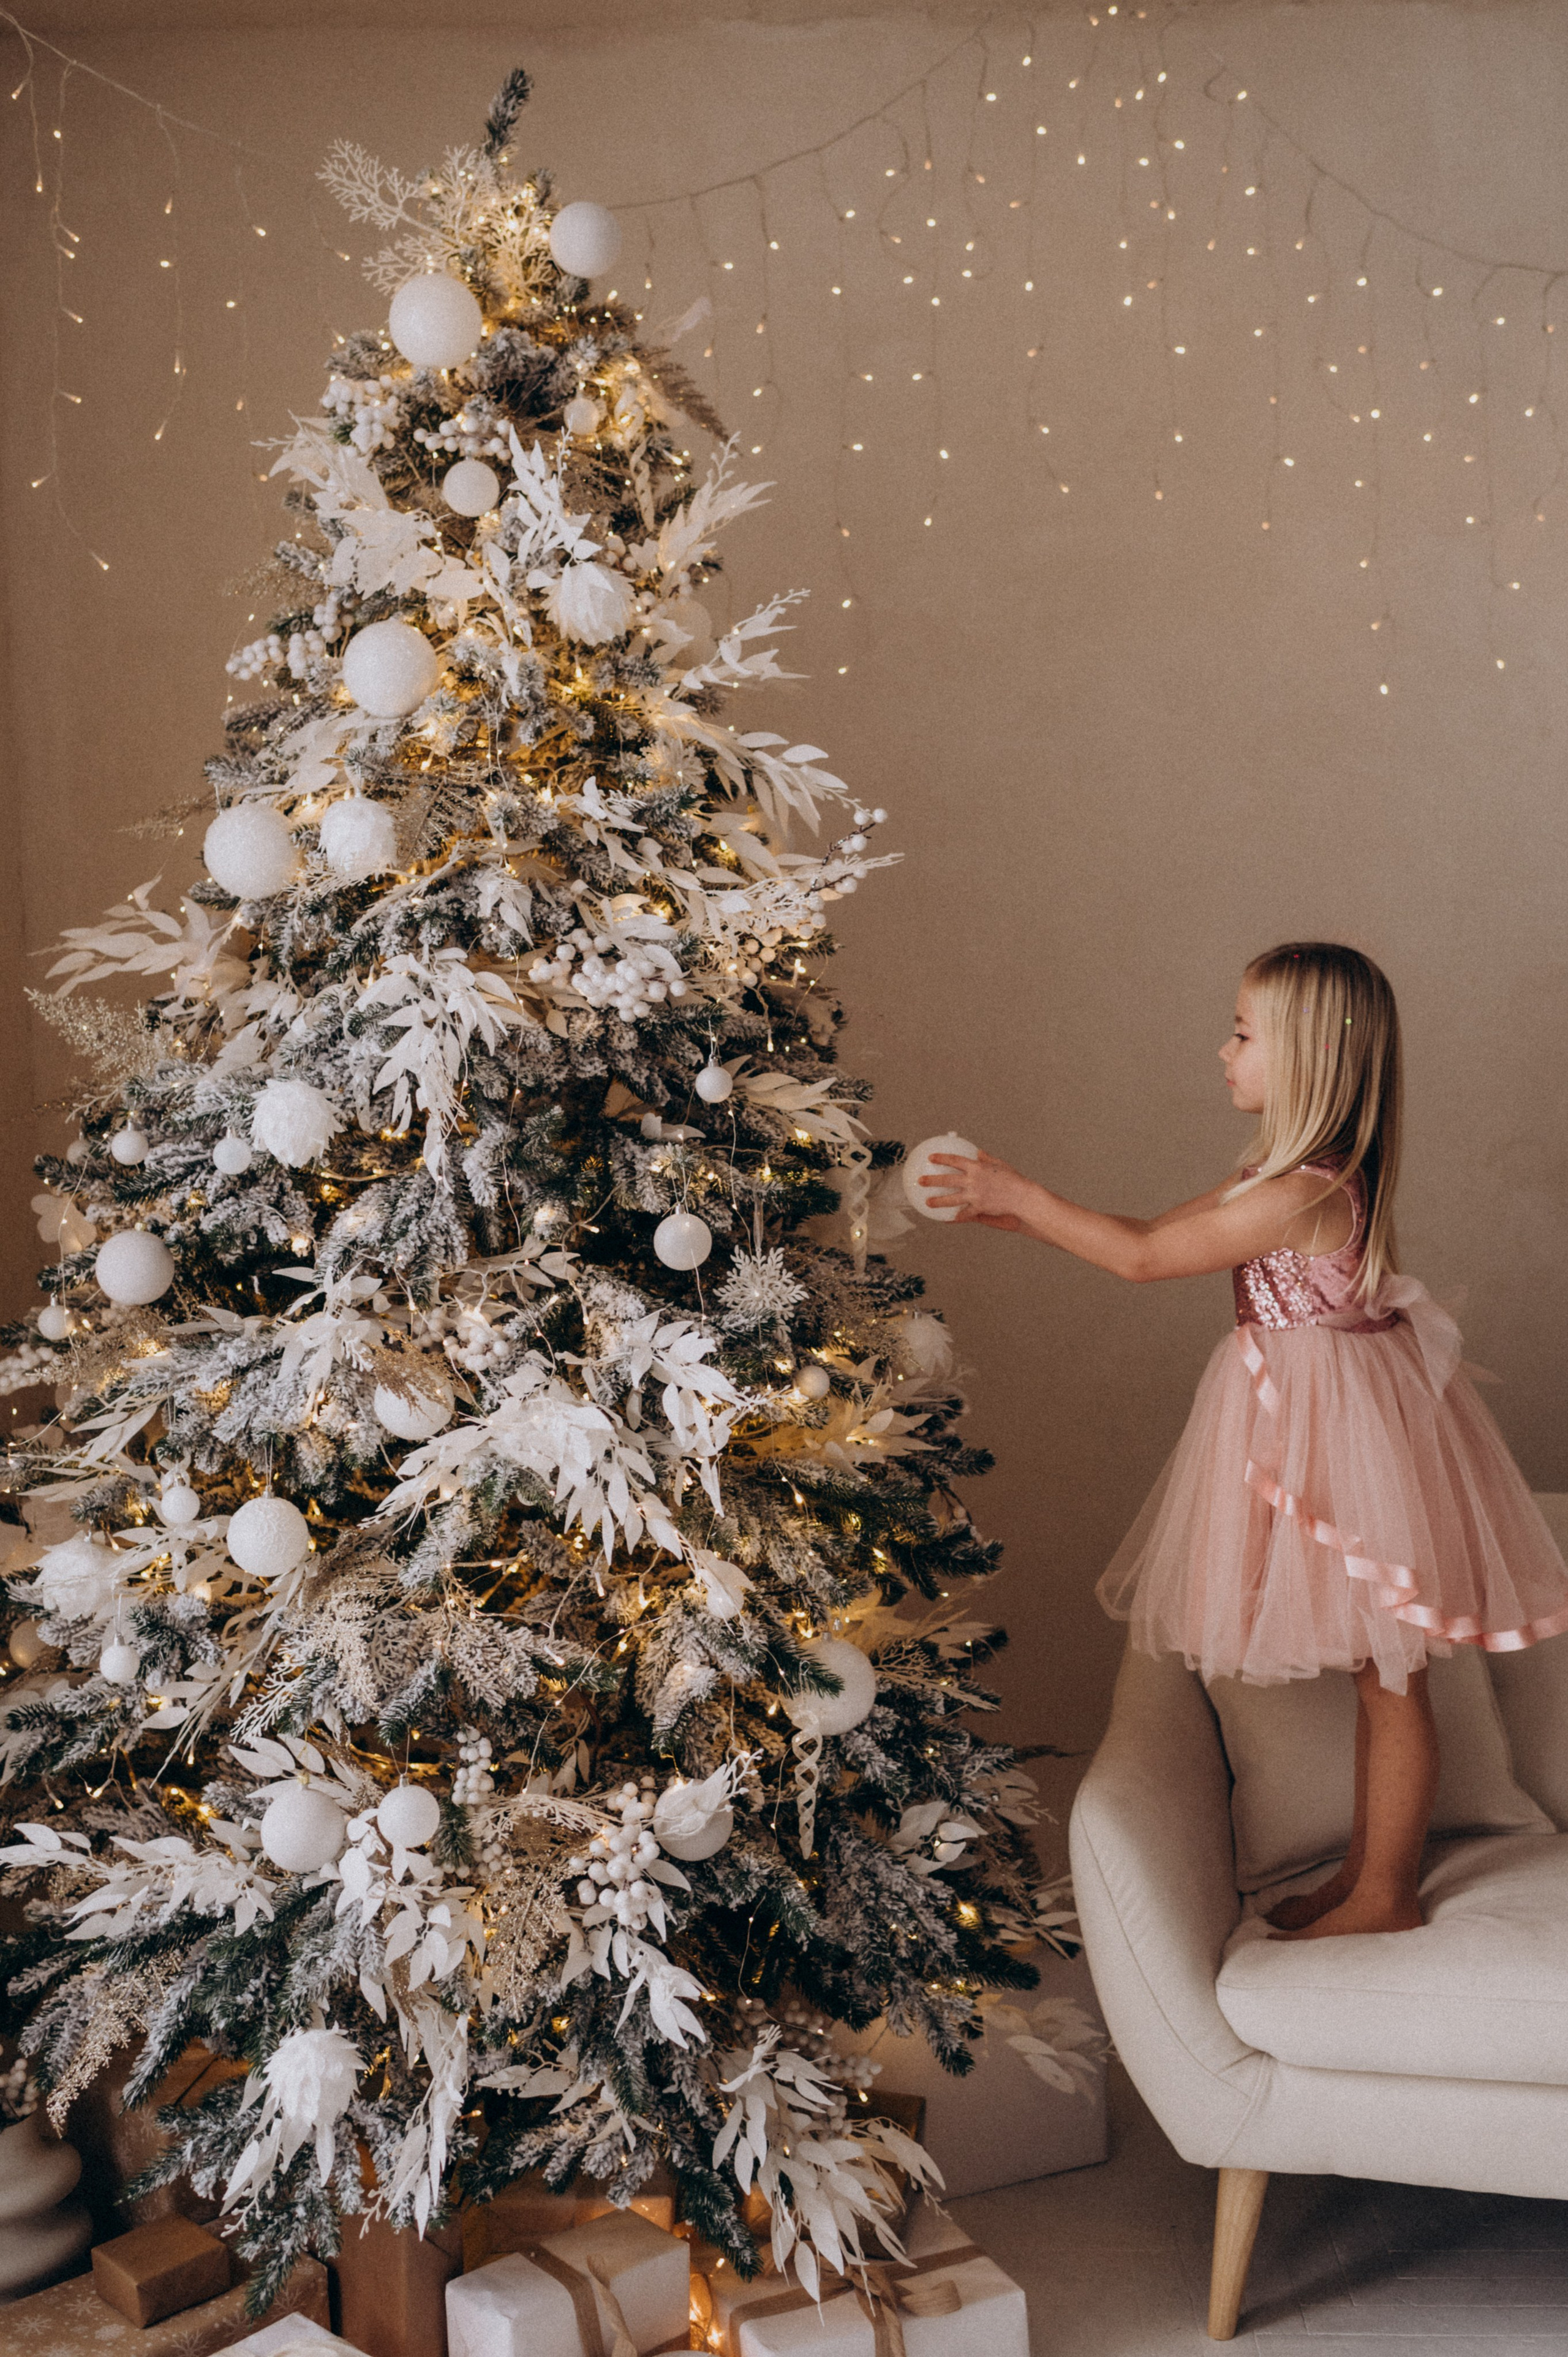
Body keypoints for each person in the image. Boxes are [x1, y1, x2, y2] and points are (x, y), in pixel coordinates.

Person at [920, 941, 1568, 1939]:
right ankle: (1368, 1878)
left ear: (1306, 1057)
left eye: (1241, 1034)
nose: (1223, 1052)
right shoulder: (1279, 1177)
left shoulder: (1302, 1194)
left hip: (1343, 1437)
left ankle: (1387, 1893)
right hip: (1329, 1417)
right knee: (1382, 1675)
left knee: (1392, 1677)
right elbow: (1146, 1232)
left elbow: (1144, 1260)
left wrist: (1026, 1196)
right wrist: (1026, 1220)